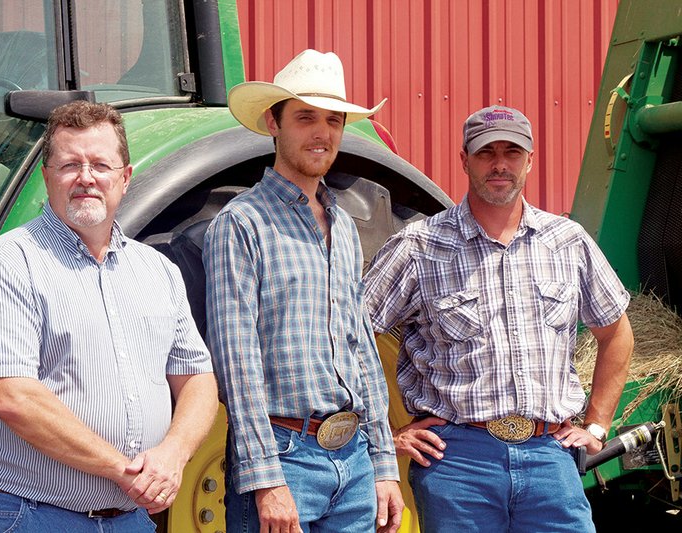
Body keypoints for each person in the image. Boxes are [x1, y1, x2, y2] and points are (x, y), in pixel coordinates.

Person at [363, 105, 634, 532]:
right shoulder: (420, 246)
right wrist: (387, 434)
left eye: (512, 151)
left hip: (549, 456)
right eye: (486, 152)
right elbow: (348, 338)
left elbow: (616, 332)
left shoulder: (568, 242)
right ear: (464, 160)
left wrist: (597, 426)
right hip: (456, 462)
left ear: (530, 160)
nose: (500, 164)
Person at [0, 100, 218, 531]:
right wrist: (126, 472)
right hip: (26, 513)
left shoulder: (159, 271)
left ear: (125, 178)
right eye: (70, 165)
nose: (86, 178)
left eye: (100, 164)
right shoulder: (6, 265)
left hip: (127, 517)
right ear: (47, 177)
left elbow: (198, 379)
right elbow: (13, 396)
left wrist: (172, 456)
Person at [203, 49, 403, 533]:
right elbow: (237, 361)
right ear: (274, 122)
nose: (322, 133)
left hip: (353, 459)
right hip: (285, 458)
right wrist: (266, 480)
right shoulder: (241, 224)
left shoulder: (343, 223)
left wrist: (382, 464)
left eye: (333, 121)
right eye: (306, 117)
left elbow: (363, 352)